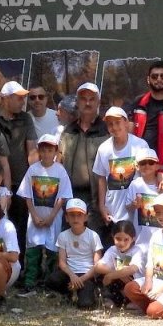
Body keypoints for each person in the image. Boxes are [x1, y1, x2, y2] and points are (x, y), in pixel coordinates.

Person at [15, 133, 72, 296]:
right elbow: (27, 194)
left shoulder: (60, 171)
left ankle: (49, 283)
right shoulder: (33, 170)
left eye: (50, 150)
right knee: (33, 249)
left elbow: (62, 196)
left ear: (56, 152)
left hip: (52, 219)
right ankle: (30, 281)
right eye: (43, 150)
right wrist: (33, 215)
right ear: (39, 151)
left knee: (52, 250)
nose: (47, 153)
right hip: (35, 218)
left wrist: (52, 216)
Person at [0, 81, 37, 250]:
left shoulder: (25, 118)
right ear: (4, 99)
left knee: (20, 226)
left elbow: (31, 149)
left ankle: (20, 266)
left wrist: (34, 177)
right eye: (18, 98)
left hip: (21, 182)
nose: (22, 102)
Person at [124, 194, 163, 319]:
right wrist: (148, 281)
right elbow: (150, 263)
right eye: (158, 213)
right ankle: (154, 304)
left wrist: (160, 290)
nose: (161, 216)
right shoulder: (156, 235)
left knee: (153, 312)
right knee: (130, 288)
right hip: (155, 280)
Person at [58, 83, 109, 242]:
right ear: (77, 103)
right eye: (83, 99)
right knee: (70, 241)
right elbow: (59, 159)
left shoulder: (106, 130)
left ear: (98, 102)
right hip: (71, 195)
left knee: (94, 242)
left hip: (96, 197)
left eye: (92, 99)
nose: (87, 103)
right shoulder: (68, 130)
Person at [93, 106, 152, 238]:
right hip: (114, 208)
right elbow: (101, 178)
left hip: (137, 208)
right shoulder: (104, 149)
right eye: (110, 124)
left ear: (126, 123)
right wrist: (102, 205)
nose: (114, 127)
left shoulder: (140, 145)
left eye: (118, 122)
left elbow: (150, 171)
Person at [129, 60, 163, 191]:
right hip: (143, 171)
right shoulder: (138, 103)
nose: (159, 79)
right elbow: (130, 136)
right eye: (154, 76)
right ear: (148, 79)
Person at [45, 198, 102, 308]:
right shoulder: (63, 236)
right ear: (66, 218)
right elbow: (62, 262)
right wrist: (72, 276)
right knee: (51, 280)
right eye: (72, 215)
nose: (75, 218)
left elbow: (97, 265)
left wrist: (80, 280)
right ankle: (67, 293)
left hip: (86, 274)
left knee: (85, 305)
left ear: (86, 217)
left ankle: (91, 292)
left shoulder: (93, 236)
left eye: (79, 215)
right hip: (70, 273)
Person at [94, 220, 146, 308]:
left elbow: (133, 268)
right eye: (118, 239)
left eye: (126, 239)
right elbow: (98, 267)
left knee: (129, 280)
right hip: (119, 282)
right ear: (112, 236)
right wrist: (117, 274)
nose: (122, 243)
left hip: (132, 281)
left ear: (133, 238)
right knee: (103, 275)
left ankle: (134, 301)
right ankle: (110, 299)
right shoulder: (112, 249)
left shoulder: (137, 250)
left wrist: (112, 275)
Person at [124, 148, 163, 247]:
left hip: (161, 239)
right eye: (143, 163)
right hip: (140, 241)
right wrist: (134, 205)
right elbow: (127, 207)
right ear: (137, 166)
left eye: (151, 162)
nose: (147, 166)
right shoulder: (135, 184)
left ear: (157, 166)